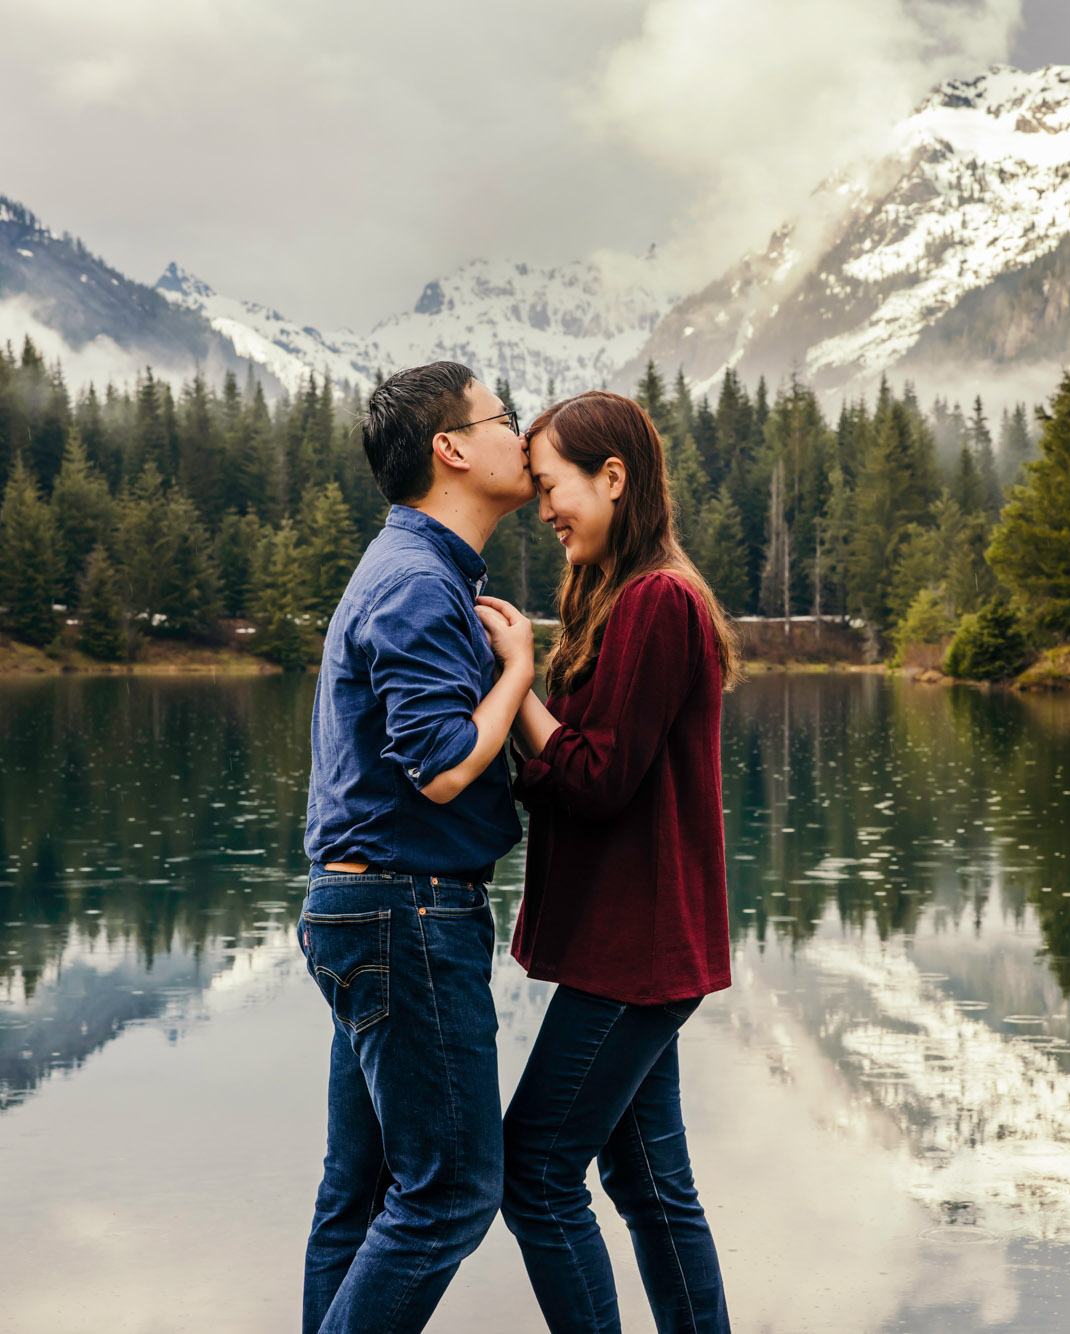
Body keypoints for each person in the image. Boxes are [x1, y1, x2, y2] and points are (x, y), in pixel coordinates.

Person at [473, 389, 741, 1333]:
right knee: (645, 1179)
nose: (544, 508)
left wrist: (509, 688)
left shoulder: (660, 601)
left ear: (614, 479)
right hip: (634, 946)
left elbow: (594, 778)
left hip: (640, 953)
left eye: (554, 488)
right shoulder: (616, 593)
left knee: (536, 1172)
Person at [298, 361, 536, 1334]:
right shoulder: (415, 582)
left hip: (367, 909)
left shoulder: (411, 571)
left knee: (356, 1197)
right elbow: (439, 765)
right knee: (450, 1191)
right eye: (504, 419)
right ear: (450, 448)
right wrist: (518, 670)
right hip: (407, 912)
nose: (520, 436)